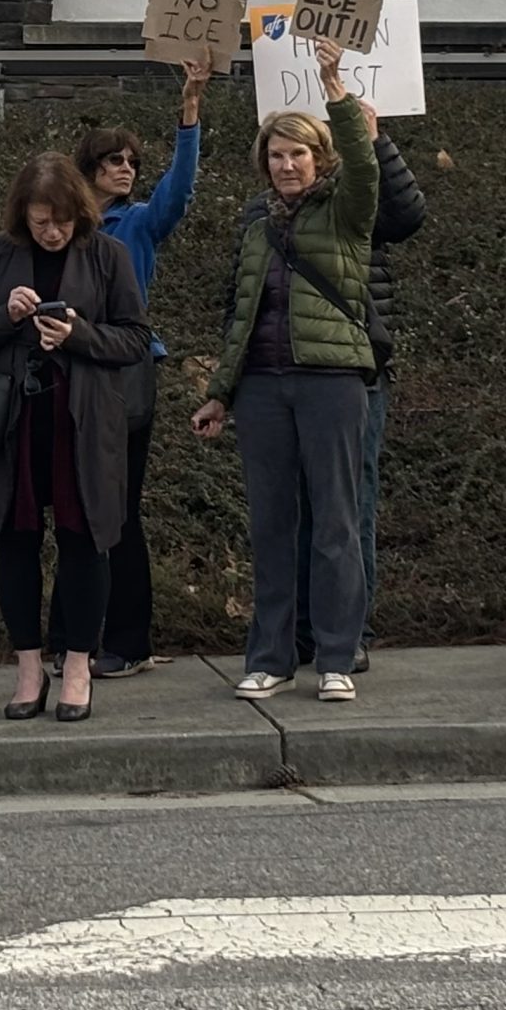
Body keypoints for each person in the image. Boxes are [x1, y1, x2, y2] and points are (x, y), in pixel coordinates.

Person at [194, 37, 378, 702]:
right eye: (276, 154)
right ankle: (270, 657)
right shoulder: (254, 225)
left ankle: (335, 655)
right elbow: (241, 314)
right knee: (271, 525)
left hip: (331, 383)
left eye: (298, 152)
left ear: (317, 158)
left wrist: (335, 87)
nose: (287, 163)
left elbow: (364, 165)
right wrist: (221, 392)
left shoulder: (348, 212)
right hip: (264, 389)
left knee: (335, 522)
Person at [0, 153, 150, 723]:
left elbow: (135, 339)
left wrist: (77, 333)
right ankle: (28, 667)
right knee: (14, 542)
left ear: (79, 213)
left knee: (85, 539)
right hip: (14, 425)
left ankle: (80, 665)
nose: (53, 231)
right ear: (23, 215)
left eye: (62, 220)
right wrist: (6, 318)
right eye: (41, 221)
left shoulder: (107, 255)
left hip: (83, 422)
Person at [77, 54, 207, 681]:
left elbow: (179, 191)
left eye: (131, 163)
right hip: (74, 370)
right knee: (77, 506)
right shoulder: (66, 230)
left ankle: (128, 640)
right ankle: (77, 633)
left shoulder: (139, 224)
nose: (126, 170)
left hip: (128, 371)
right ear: (89, 175)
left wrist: (190, 112)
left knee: (119, 509)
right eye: (113, 163)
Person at [293, 95, 426, 676]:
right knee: (294, 508)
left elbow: (408, 214)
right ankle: (299, 629)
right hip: (288, 374)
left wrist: (374, 140)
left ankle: (349, 629)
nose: (292, 163)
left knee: (351, 506)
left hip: (357, 371)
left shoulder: (358, 201)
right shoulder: (267, 211)